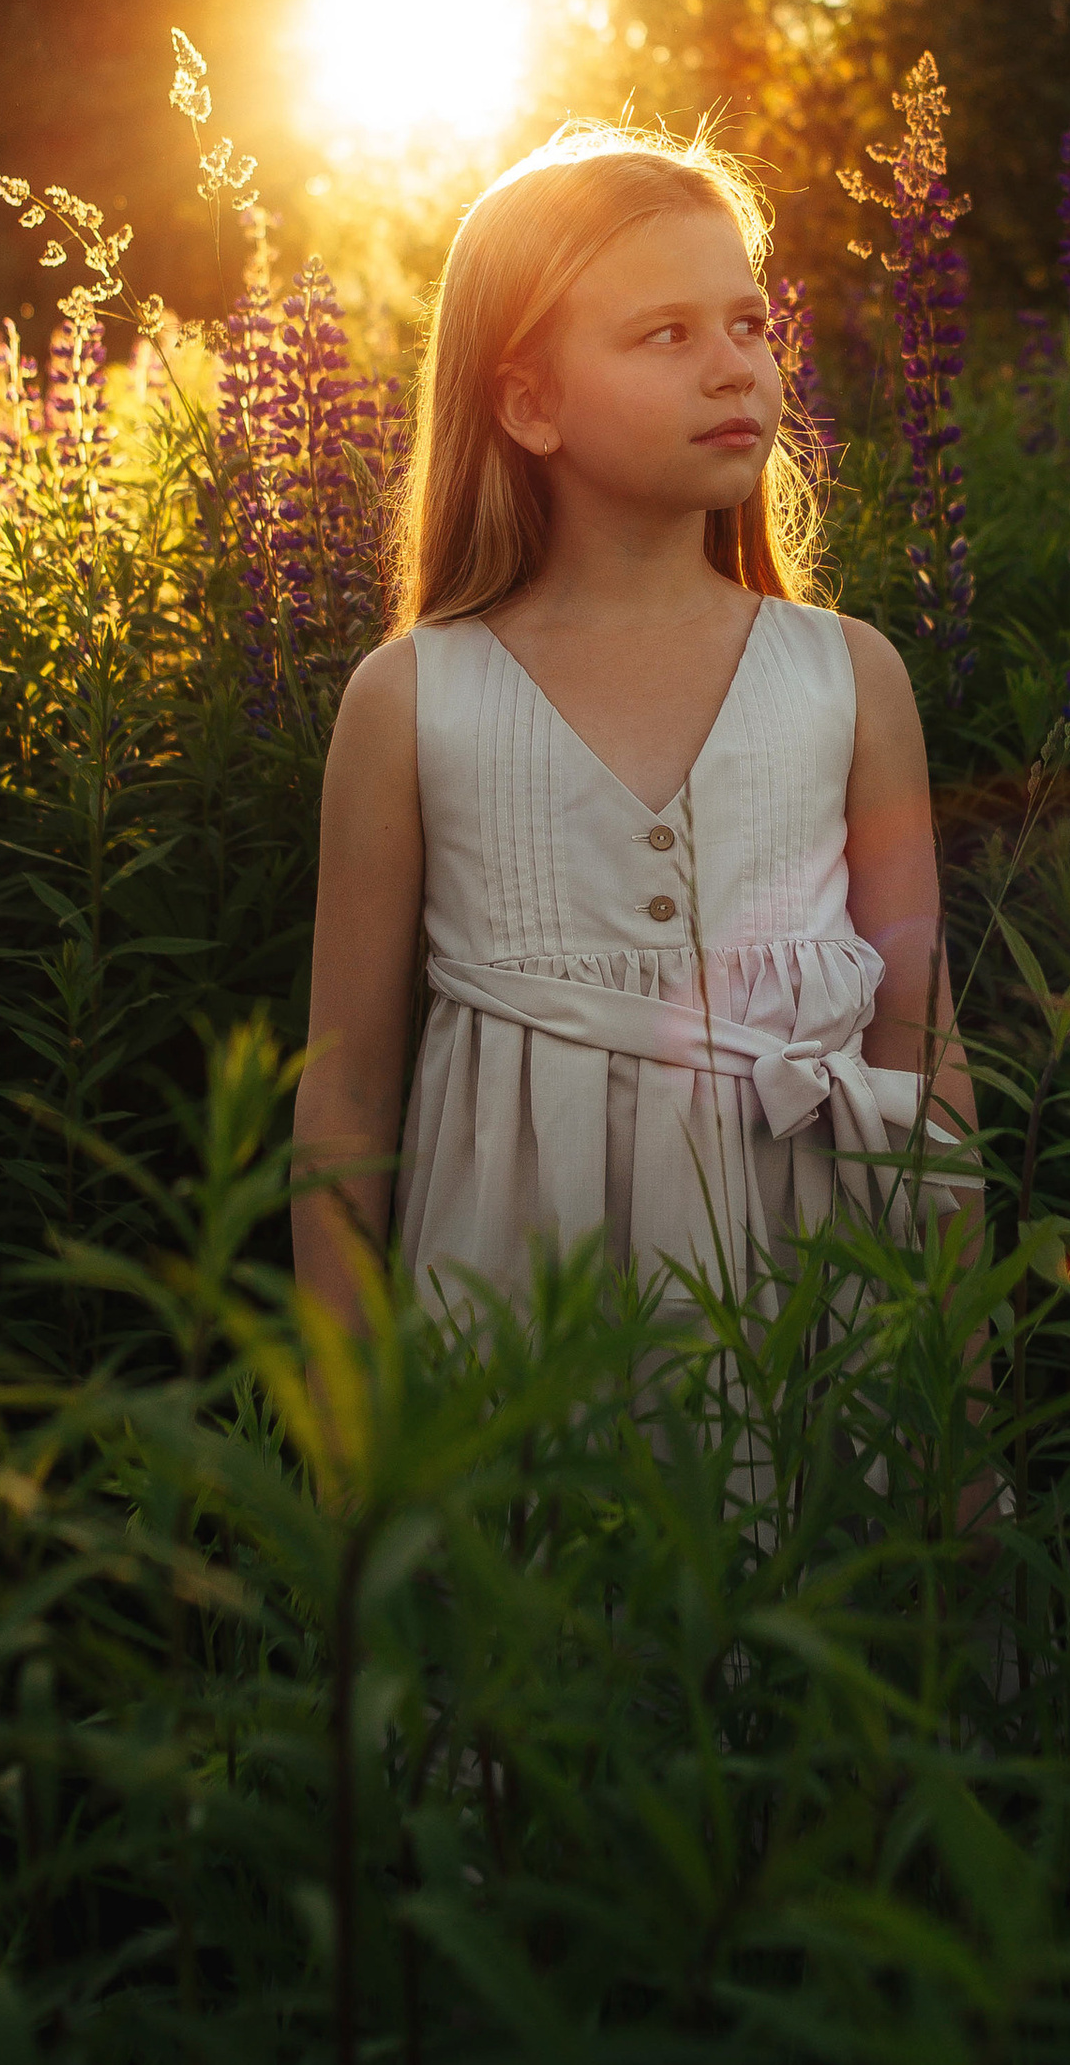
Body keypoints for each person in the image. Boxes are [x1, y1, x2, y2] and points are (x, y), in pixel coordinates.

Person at [290, 120, 979, 1327]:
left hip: (819, 1339)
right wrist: (353, 1463)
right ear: (531, 404)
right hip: (518, 1353)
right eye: (666, 333)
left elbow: (924, 1057)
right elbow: (344, 1105)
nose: (734, 366)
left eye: (750, 323)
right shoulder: (410, 704)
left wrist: (958, 1424)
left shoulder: (848, 677)